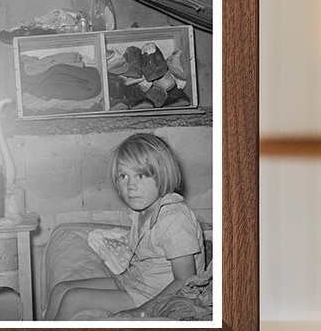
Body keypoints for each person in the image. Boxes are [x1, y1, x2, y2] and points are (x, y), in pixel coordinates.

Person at [47, 133, 205, 320]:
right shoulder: (142, 210)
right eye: (123, 176)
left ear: (164, 174)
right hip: (136, 282)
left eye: (141, 175)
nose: (131, 186)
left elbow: (185, 280)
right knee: (61, 290)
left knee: (73, 299)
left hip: (156, 294)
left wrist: (143, 310)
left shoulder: (174, 218)